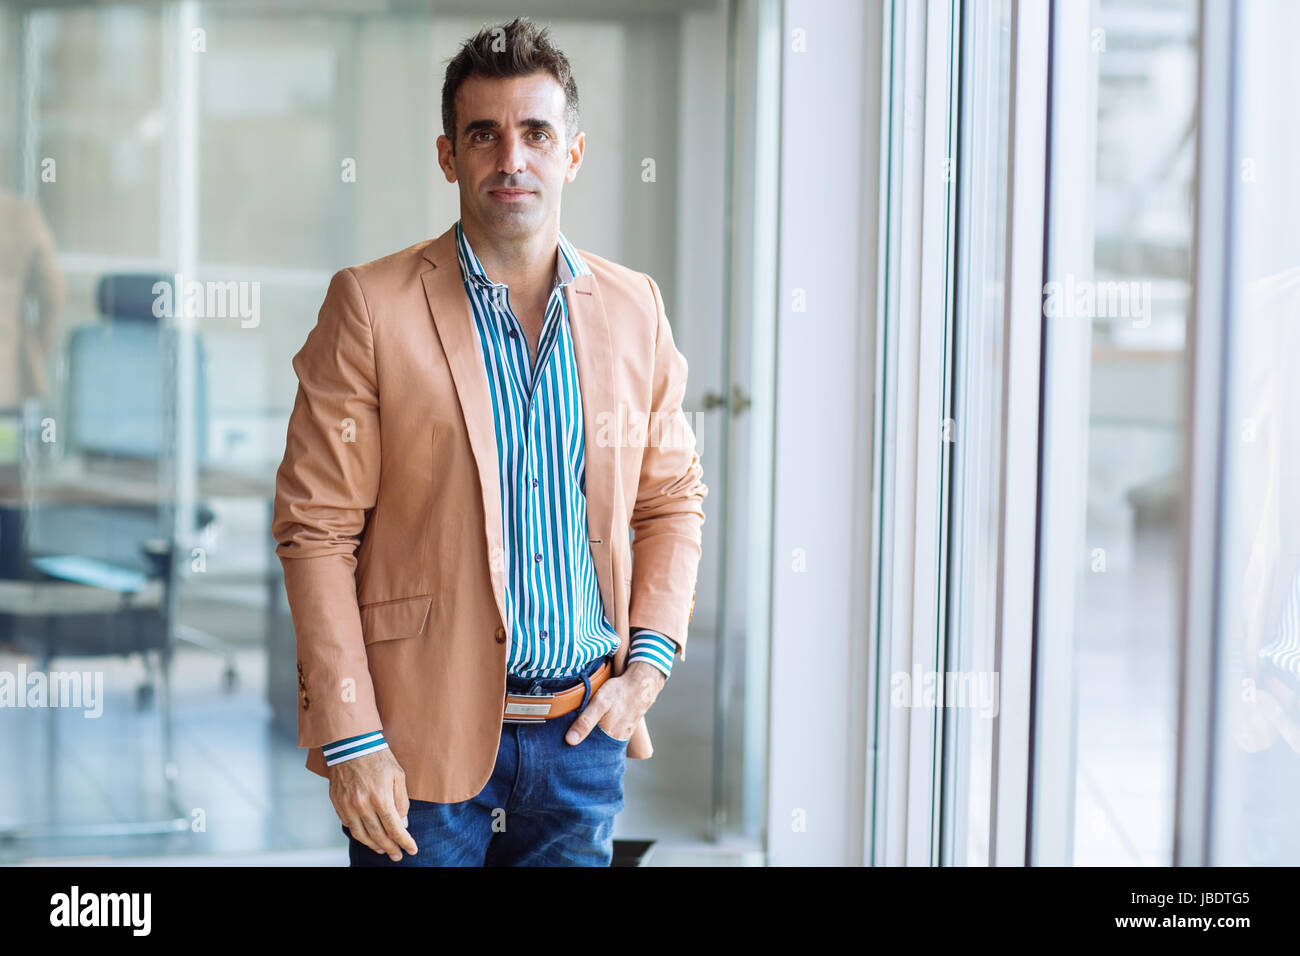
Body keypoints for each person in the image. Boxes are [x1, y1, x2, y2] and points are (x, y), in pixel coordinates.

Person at [271, 16, 706, 867]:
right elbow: (315, 531)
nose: (512, 159)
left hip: (583, 742)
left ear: (571, 154)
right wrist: (353, 735)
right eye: (486, 135)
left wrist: (646, 671)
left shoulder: (634, 308)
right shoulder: (371, 306)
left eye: (537, 133)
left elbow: (671, 501)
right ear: (449, 156)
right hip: (418, 750)